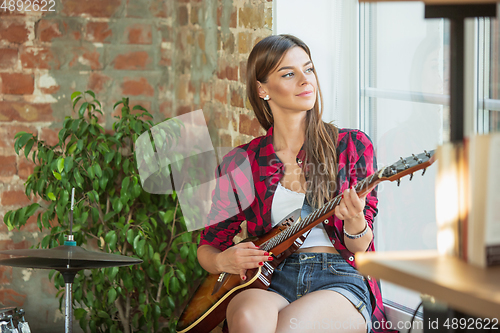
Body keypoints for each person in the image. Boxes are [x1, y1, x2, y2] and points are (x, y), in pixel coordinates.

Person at [197, 34, 397, 333]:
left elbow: (360, 245)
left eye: (309, 69)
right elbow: (208, 246)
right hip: (271, 279)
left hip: (339, 278)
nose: (306, 81)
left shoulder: (350, 145)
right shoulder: (243, 162)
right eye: (289, 74)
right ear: (262, 89)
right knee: (247, 319)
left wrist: (355, 219)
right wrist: (224, 260)